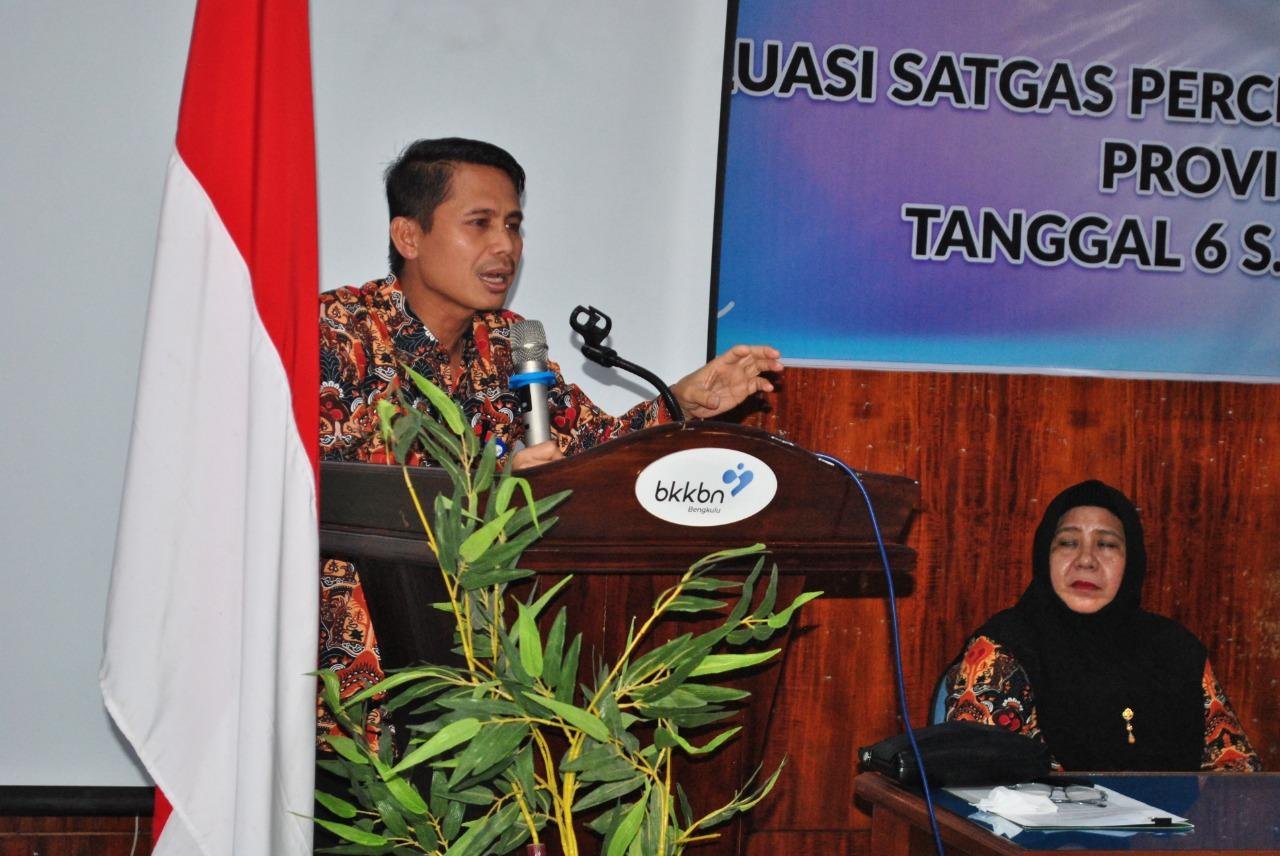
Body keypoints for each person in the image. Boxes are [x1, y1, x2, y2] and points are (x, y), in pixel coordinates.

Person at [317, 137, 783, 744]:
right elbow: (337, 488)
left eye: (513, 225)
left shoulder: (512, 344)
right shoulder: (339, 333)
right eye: (479, 224)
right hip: (359, 682)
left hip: (490, 677)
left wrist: (681, 402)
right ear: (409, 237)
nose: (505, 247)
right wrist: (493, 493)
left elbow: (592, 451)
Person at [941, 479, 1260, 772]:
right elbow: (976, 783)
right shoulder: (1002, 650)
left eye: (1106, 545)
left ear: (1132, 560)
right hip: (1038, 834)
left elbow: (1236, 775)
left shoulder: (1176, 651)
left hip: (1176, 832)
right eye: (1067, 543)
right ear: (1044, 555)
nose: (1086, 560)